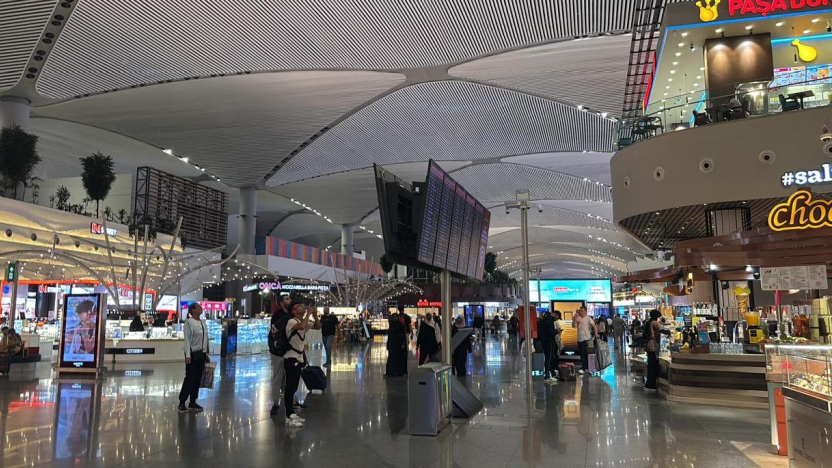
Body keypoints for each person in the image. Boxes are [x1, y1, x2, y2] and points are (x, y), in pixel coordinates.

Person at [284, 303, 321, 427]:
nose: (302, 307)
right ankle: (289, 415)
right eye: (299, 306)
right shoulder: (291, 322)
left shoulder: (303, 321)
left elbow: (318, 326)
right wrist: (309, 313)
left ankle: (291, 414)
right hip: (291, 358)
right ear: (294, 311)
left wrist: (315, 315)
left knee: (294, 387)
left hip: (298, 358)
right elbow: (301, 326)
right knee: (290, 387)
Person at [178, 303, 209, 413]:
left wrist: (206, 353)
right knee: (190, 378)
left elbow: (205, 338)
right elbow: (187, 339)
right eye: (198, 307)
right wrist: (187, 355)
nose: (201, 309)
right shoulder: (189, 322)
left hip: (201, 353)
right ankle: (182, 402)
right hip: (192, 353)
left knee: (197, 379)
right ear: (193, 310)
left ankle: (193, 401)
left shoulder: (202, 322)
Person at [269, 294, 292, 416]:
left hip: (289, 350)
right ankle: (275, 403)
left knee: (289, 377)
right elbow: (274, 332)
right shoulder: (277, 315)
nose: (290, 300)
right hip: (278, 351)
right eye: (287, 299)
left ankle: (291, 400)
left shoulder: (291, 314)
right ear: (282, 302)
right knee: (277, 377)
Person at [572, 306, 598, 375]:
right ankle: (585, 367)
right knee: (581, 353)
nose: (581, 312)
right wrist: (574, 318)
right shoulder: (578, 318)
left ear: (585, 311)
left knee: (584, 354)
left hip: (586, 339)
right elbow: (573, 326)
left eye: (582, 310)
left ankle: (584, 368)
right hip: (579, 338)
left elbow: (594, 326)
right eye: (580, 310)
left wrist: (596, 333)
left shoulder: (589, 318)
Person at [386, 306, 409, 377]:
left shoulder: (400, 325)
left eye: (396, 317)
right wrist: (388, 344)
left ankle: (399, 371)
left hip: (399, 345)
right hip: (392, 344)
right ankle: (391, 372)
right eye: (393, 317)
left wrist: (403, 343)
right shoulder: (392, 325)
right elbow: (389, 335)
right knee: (392, 358)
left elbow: (403, 335)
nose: (395, 318)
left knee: (398, 358)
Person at [644, 309, 663, 393]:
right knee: (653, 366)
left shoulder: (648, 322)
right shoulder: (655, 322)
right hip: (653, 345)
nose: (660, 318)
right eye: (659, 317)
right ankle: (651, 385)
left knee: (651, 365)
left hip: (649, 344)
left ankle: (649, 384)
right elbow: (663, 330)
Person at [539, 310, 559, 383]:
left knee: (547, 357)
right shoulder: (550, 320)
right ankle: (547, 375)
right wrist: (557, 331)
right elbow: (551, 332)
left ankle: (551, 372)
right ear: (556, 315)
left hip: (544, 341)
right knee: (549, 357)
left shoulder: (544, 319)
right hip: (549, 341)